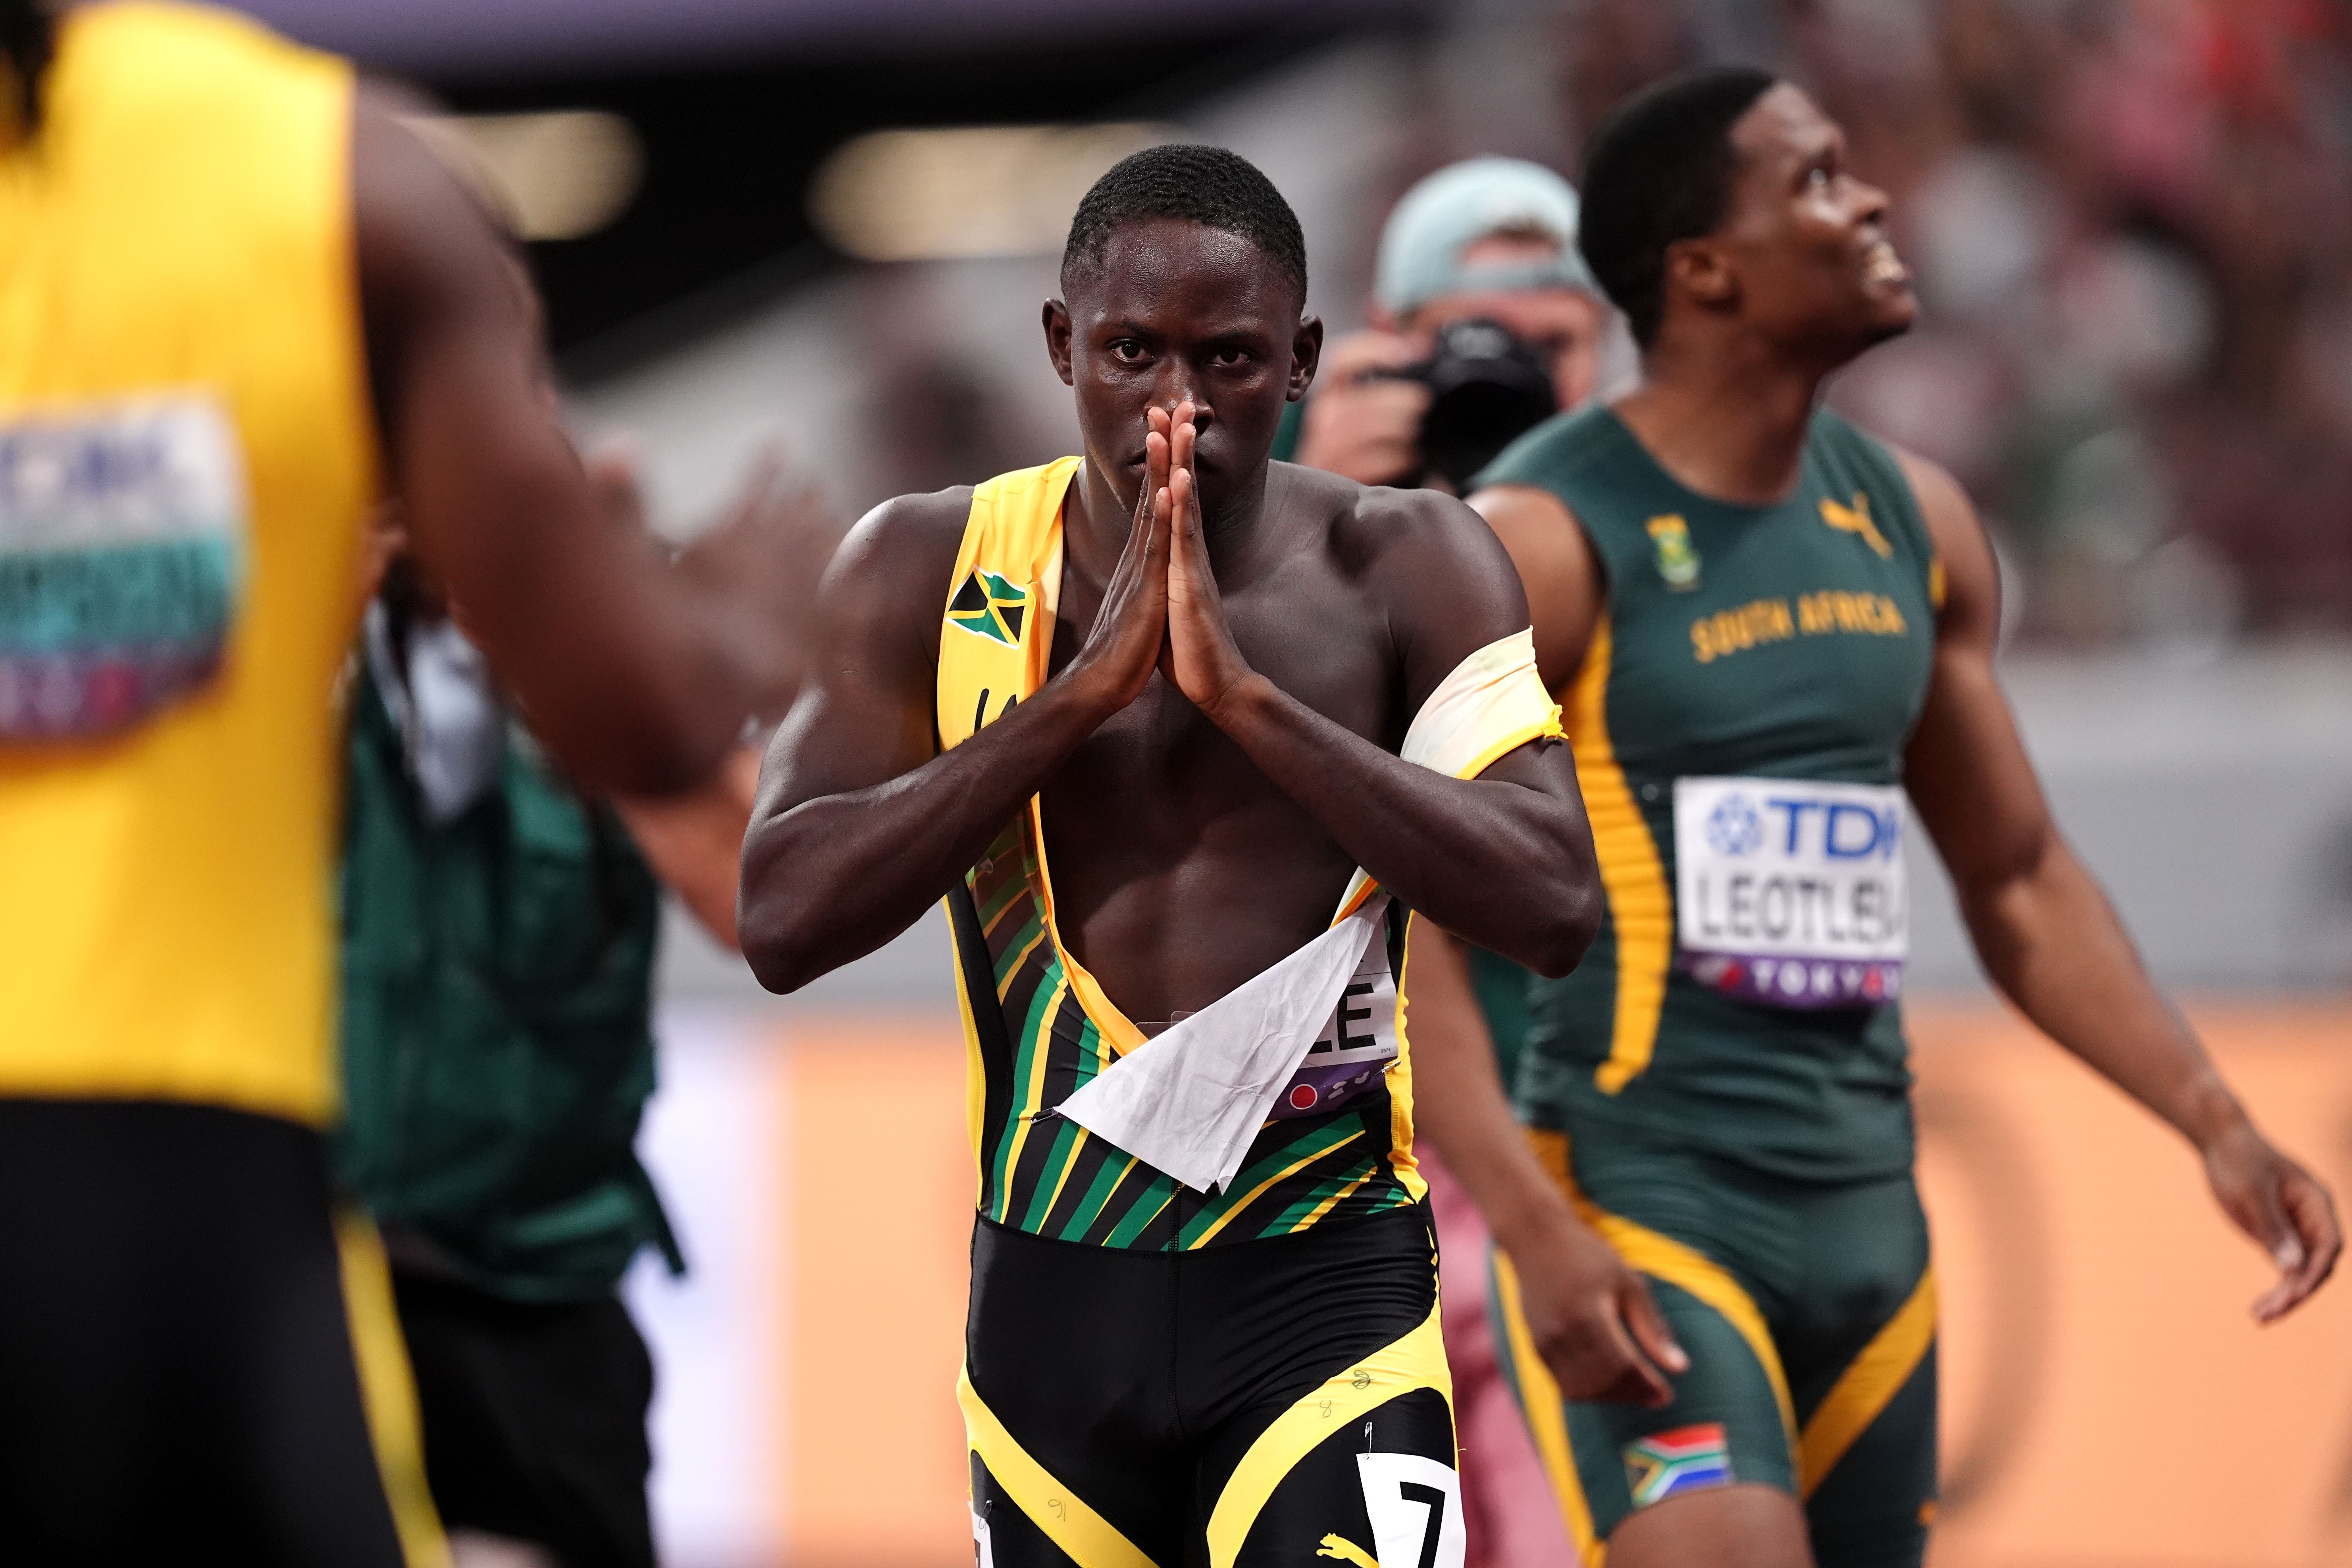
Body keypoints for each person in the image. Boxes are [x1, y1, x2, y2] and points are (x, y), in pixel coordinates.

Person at [1402, 66, 2343, 1568]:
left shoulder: (1915, 526)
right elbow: (1409, 931)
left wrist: (2211, 1122)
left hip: (1870, 1233)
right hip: (1644, 1209)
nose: (1872, 200)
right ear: (1703, 269)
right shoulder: (1541, 538)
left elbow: (2018, 879)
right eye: (1817, 179)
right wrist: (1529, 1222)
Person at [0, 3, 801, 1560]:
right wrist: (734, 619)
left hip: (494, 1281)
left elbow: (721, 855)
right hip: (195, 1182)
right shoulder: (320, 175)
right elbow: (644, 710)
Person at [738, 143, 1603, 1568]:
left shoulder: (1409, 564)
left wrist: (1251, 708)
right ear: (1059, 342)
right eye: (1131, 352)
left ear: (1306, 358)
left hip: (1324, 1287)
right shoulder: (922, 563)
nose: (1179, 407)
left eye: (1232, 359)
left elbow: (1551, 897)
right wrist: (1068, 701)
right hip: (1048, 1318)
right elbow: (779, 918)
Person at [339, 458, 834, 1568]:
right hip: (318, 1281)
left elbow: (759, 904)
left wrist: (572, 647)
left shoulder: (596, 653)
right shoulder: (307, 637)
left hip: (541, 1291)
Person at [1288, 155, 1618, 1568]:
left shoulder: (1656, 524)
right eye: (1475, 347)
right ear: (1385, 344)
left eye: (1551, 347)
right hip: (1345, 1156)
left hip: (1597, 1144)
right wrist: (1309, 511)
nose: (1513, 385)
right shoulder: (1296, 530)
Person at [1290, 157, 1614, 489]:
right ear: (1386, 335)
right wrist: (1320, 506)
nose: (1511, 380)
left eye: (1551, 345)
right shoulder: (1259, 462)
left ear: (1601, 340)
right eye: (1480, 339)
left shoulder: (1645, 499)